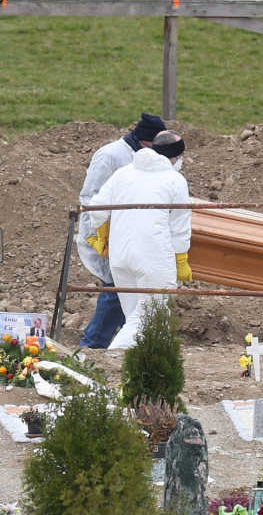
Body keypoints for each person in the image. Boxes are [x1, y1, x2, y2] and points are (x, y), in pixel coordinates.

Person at [82, 130, 192, 350]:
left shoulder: (123, 173)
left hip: (120, 257)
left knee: (133, 314)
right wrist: (181, 258)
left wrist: (102, 236)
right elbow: (179, 226)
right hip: (153, 256)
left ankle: (139, 365)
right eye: (179, 157)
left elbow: (96, 209)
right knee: (150, 317)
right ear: (174, 157)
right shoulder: (174, 180)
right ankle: (115, 355)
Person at [76, 113, 166, 347]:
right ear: (145, 140)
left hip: (134, 236)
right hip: (108, 234)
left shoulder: (144, 159)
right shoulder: (110, 157)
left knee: (125, 293)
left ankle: (112, 345)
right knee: (116, 291)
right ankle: (92, 346)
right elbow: (90, 198)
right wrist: (99, 234)